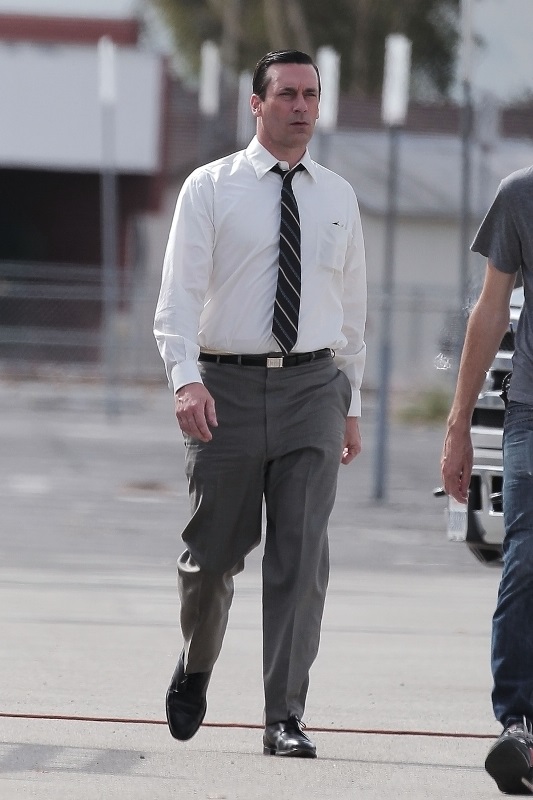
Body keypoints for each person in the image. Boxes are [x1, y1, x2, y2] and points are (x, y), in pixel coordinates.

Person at [154, 49, 367, 758]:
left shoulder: (338, 197)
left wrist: (352, 404)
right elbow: (178, 297)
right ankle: (196, 663)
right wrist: (185, 378)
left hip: (314, 389)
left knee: (301, 559)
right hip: (226, 390)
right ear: (256, 104)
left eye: (311, 95)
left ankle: (284, 716)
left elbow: (352, 312)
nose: (301, 107)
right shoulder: (209, 188)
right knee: (212, 557)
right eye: (286, 94)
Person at [441, 165, 533, 794]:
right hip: (531, 409)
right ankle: (518, 725)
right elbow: (492, 308)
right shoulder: (521, 194)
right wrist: (458, 424)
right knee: (525, 560)